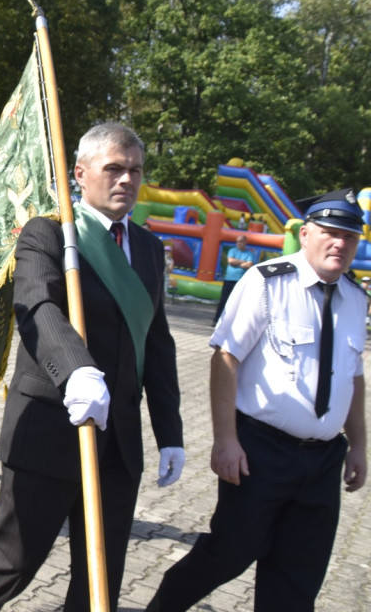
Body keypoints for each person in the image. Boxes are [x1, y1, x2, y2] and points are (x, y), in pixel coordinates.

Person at [0, 122, 185, 612]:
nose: (126, 180)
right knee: (11, 565)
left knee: (101, 578)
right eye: (114, 169)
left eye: (135, 171)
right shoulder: (48, 232)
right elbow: (39, 307)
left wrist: (171, 433)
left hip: (118, 442)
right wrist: (77, 369)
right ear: (80, 173)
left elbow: (157, 342)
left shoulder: (147, 248)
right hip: (51, 428)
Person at [145, 189, 368, 612]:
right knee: (229, 553)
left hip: (323, 461)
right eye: (330, 232)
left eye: (350, 236)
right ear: (306, 233)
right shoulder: (268, 282)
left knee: (298, 575)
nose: (340, 243)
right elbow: (226, 356)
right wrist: (225, 440)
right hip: (262, 451)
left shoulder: (356, 300)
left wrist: (358, 445)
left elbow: (353, 379)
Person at [212, 234, 259, 325]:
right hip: (229, 280)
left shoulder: (249, 253)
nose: (238, 243)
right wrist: (243, 263)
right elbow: (230, 261)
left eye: (241, 241)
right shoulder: (232, 251)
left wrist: (236, 262)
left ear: (245, 242)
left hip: (241, 281)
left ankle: (234, 323)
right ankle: (216, 319)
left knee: (239, 302)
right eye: (237, 241)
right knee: (224, 300)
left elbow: (249, 265)